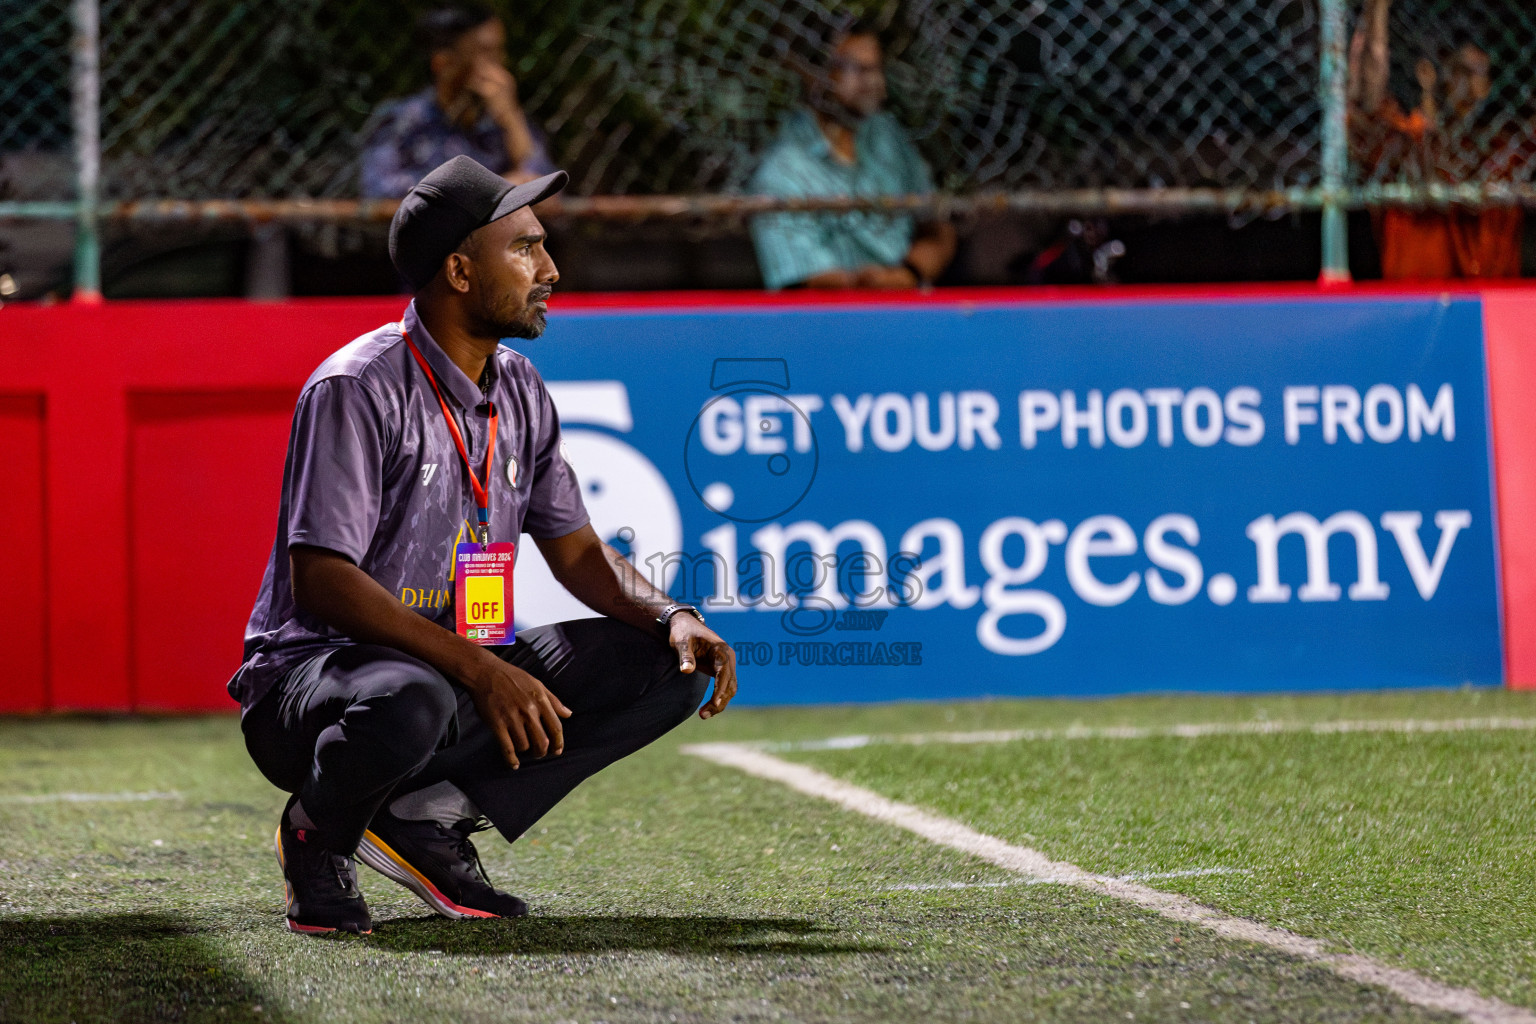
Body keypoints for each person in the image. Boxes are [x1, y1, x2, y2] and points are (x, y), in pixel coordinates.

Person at [231, 156, 738, 935]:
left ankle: (421, 818)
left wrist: (672, 614)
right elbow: (322, 582)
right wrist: (480, 668)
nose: (551, 269)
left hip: (454, 672)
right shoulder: (357, 387)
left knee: (664, 667)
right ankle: (315, 835)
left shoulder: (521, 390)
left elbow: (577, 553)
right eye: (526, 249)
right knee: (413, 696)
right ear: (461, 271)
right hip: (315, 687)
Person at [748, 21, 956, 290]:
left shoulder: (888, 135)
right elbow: (802, 284)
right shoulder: (781, 171)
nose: (873, 82)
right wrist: (870, 286)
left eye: (875, 69)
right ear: (812, 75)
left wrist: (907, 276)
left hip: (910, 309)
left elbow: (939, 232)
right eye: (856, 70)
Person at [1348, 0, 1523, 278]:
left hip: (1490, 305)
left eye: (1482, 77)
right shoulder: (1401, 143)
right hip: (1415, 303)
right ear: (1428, 74)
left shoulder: (1501, 148)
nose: (1473, 89)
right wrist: (1377, 11)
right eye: (1462, 72)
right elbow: (1364, 104)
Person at [360, 4, 557, 199]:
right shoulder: (403, 121)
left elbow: (549, 193)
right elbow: (379, 192)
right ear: (443, 63)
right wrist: (492, 190)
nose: (499, 66)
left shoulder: (503, 121)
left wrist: (513, 121)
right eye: (487, 53)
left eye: (500, 51)